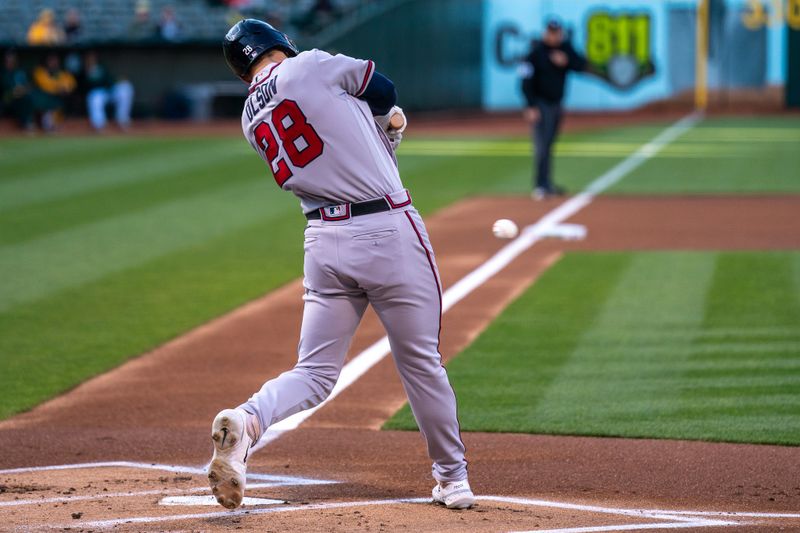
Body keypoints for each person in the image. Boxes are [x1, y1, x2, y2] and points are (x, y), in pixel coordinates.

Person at [208, 19, 474, 511]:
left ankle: (247, 419)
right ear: (279, 45)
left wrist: (380, 133)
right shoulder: (309, 64)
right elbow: (384, 89)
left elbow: (336, 148)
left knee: (313, 373)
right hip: (386, 230)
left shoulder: (250, 116)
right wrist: (388, 121)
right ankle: (452, 479)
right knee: (420, 363)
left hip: (323, 243)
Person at [521, 19, 587, 200]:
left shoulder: (565, 48)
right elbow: (525, 81)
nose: (554, 35)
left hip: (557, 103)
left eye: (557, 32)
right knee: (541, 145)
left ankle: (547, 183)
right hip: (540, 104)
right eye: (551, 32)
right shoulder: (535, 53)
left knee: (549, 143)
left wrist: (566, 61)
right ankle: (540, 185)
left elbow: (581, 65)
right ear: (545, 33)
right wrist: (530, 105)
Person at [77, 51, 134, 131]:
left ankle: (122, 120)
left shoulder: (101, 67)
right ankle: (100, 125)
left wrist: (118, 81)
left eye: (92, 58)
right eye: (88, 59)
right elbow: (83, 86)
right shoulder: (82, 72)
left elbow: (109, 80)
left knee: (125, 87)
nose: (90, 60)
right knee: (95, 97)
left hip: (110, 91)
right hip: (98, 94)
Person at [32, 53, 76, 130]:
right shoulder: (40, 71)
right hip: (44, 97)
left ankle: (55, 124)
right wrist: (58, 87)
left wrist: (65, 88)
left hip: (59, 99)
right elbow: (45, 85)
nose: (53, 63)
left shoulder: (63, 73)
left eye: (55, 61)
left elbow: (71, 84)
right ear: (46, 62)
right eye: (51, 61)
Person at [1, 50, 35, 131]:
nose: (10, 63)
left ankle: (27, 123)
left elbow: (28, 86)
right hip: (7, 100)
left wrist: (21, 90)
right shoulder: (2, 73)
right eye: (8, 61)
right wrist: (14, 92)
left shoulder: (20, 72)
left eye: (12, 60)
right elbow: (6, 92)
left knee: (28, 98)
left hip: (20, 98)